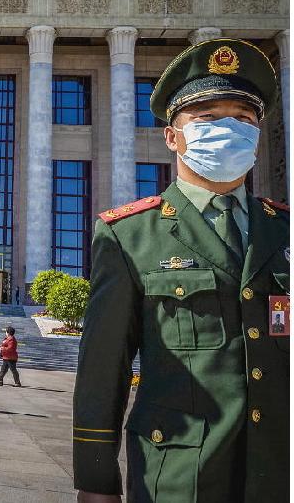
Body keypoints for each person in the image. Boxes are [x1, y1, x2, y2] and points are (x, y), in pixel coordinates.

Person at [73, 38, 289, 502]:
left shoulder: (285, 230)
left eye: (243, 119)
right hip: (179, 477)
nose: (228, 130)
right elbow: (102, 371)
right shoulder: (129, 234)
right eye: (208, 119)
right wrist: (95, 483)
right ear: (172, 136)